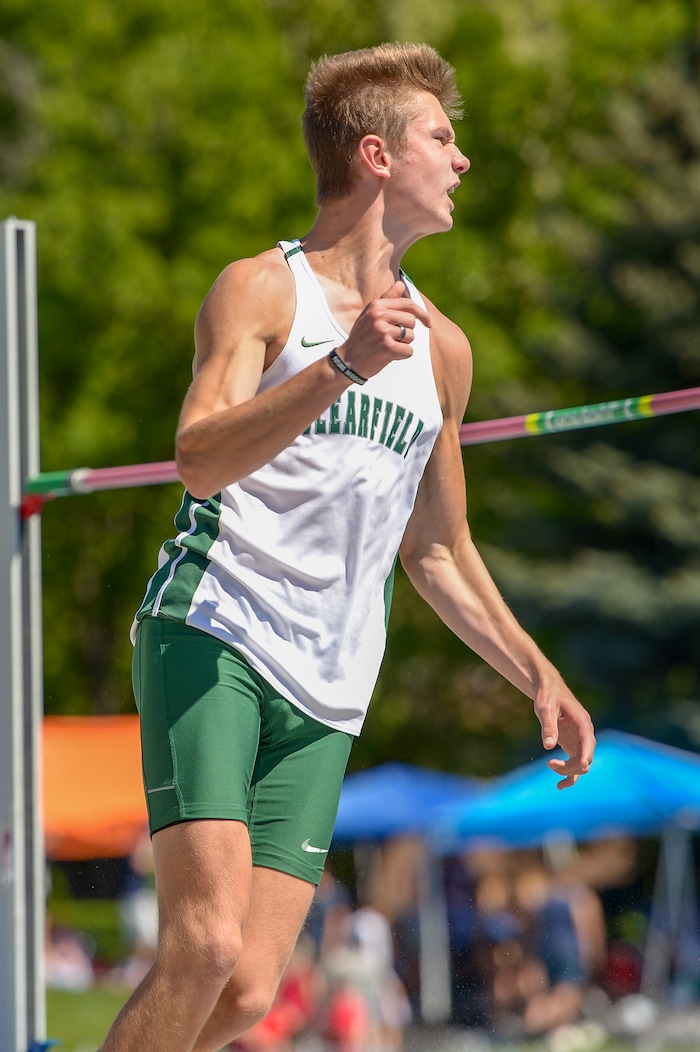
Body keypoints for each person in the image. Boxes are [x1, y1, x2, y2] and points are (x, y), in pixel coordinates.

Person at [100, 41, 596, 1052]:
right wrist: (340, 365)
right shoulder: (261, 291)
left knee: (242, 990)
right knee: (200, 941)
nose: (462, 161)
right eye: (441, 138)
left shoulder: (444, 349)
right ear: (374, 155)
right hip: (217, 627)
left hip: (329, 682)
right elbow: (196, 459)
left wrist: (535, 671)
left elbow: (441, 549)